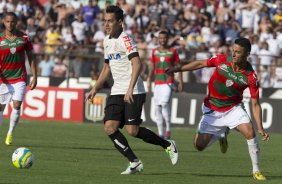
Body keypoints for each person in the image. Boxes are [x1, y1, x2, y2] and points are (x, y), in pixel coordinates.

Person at [85, 5, 178, 175]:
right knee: (109, 127)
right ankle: (134, 162)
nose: (106, 24)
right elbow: (107, 68)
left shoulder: (125, 38)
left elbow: (137, 63)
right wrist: (95, 88)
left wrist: (129, 89)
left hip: (133, 90)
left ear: (120, 22)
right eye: (105, 21)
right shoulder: (107, 41)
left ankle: (167, 144)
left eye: (110, 21)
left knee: (132, 131)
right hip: (117, 90)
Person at [166, 37, 269, 180]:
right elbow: (201, 63)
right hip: (212, 108)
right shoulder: (222, 60)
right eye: (233, 50)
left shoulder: (251, 77)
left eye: (238, 52)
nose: (233, 54)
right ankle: (222, 134)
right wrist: (178, 69)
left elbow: (256, 104)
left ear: (247, 54)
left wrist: (261, 128)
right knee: (199, 146)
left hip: (233, 108)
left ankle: (256, 170)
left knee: (250, 132)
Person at [0, 12, 37, 145]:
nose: (10, 24)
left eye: (13, 21)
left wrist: (35, 76)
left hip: (20, 77)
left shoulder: (24, 37)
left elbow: (32, 57)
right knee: (1, 107)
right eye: (8, 21)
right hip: (4, 79)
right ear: (3, 22)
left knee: (16, 104)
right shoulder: (0, 38)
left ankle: (9, 133)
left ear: (17, 22)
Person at [147, 30, 183, 139]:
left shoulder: (173, 51)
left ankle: (168, 129)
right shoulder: (154, 51)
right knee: (157, 107)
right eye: (160, 38)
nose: (162, 40)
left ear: (168, 39)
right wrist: (149, 78)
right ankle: (161, 133)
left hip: (168, 82)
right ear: (158, 39)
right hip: (157, 82)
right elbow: (152, 66)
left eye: (164, 38)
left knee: (164, 103)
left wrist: (181, 82)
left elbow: (179, 66)